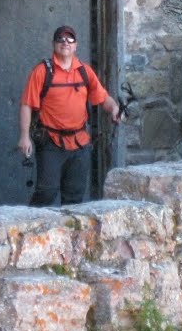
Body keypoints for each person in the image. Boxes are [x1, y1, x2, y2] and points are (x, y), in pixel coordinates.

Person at [17, 25, 122, 206]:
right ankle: (30, 229)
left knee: (74, 197)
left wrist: (114, 109)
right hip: (50, 142)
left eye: (70, 39)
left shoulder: (84, 71)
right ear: (53, 44)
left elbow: (103, 98)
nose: (65, 42)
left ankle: (72, 233)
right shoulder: (42, 71)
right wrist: (24, 136)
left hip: (79, 143)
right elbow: (27, 105)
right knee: (46, 192)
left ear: (76, 46)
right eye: (60, 39)